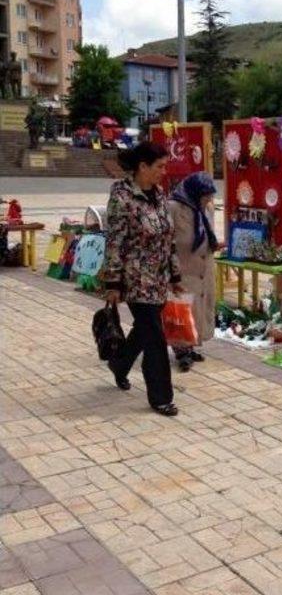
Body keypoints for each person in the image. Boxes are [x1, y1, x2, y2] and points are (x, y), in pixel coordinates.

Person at [103, 141, 182, 416]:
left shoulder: (159, 194)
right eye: (159, 166)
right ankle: (160, 396)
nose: (164, 171)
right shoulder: (122, 196)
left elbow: (167, 237)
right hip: (135, 279)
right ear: (142, 167)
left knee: (145, 330)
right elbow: (115, 240)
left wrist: (174, 272)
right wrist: (112, 282)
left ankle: (120, 364)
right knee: (155, 338)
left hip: (158, 279)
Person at [168, 171, 218, 371]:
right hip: (183, 268)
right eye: (205, 196)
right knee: (182, 310)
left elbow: (208, 233)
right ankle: (181, 351)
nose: (208, 200)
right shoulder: (173, 208)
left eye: (210, 196)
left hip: (203, 269)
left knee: (199, 309)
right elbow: (166, 241)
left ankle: (191, 346)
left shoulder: (206, 209)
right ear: (194, 193)